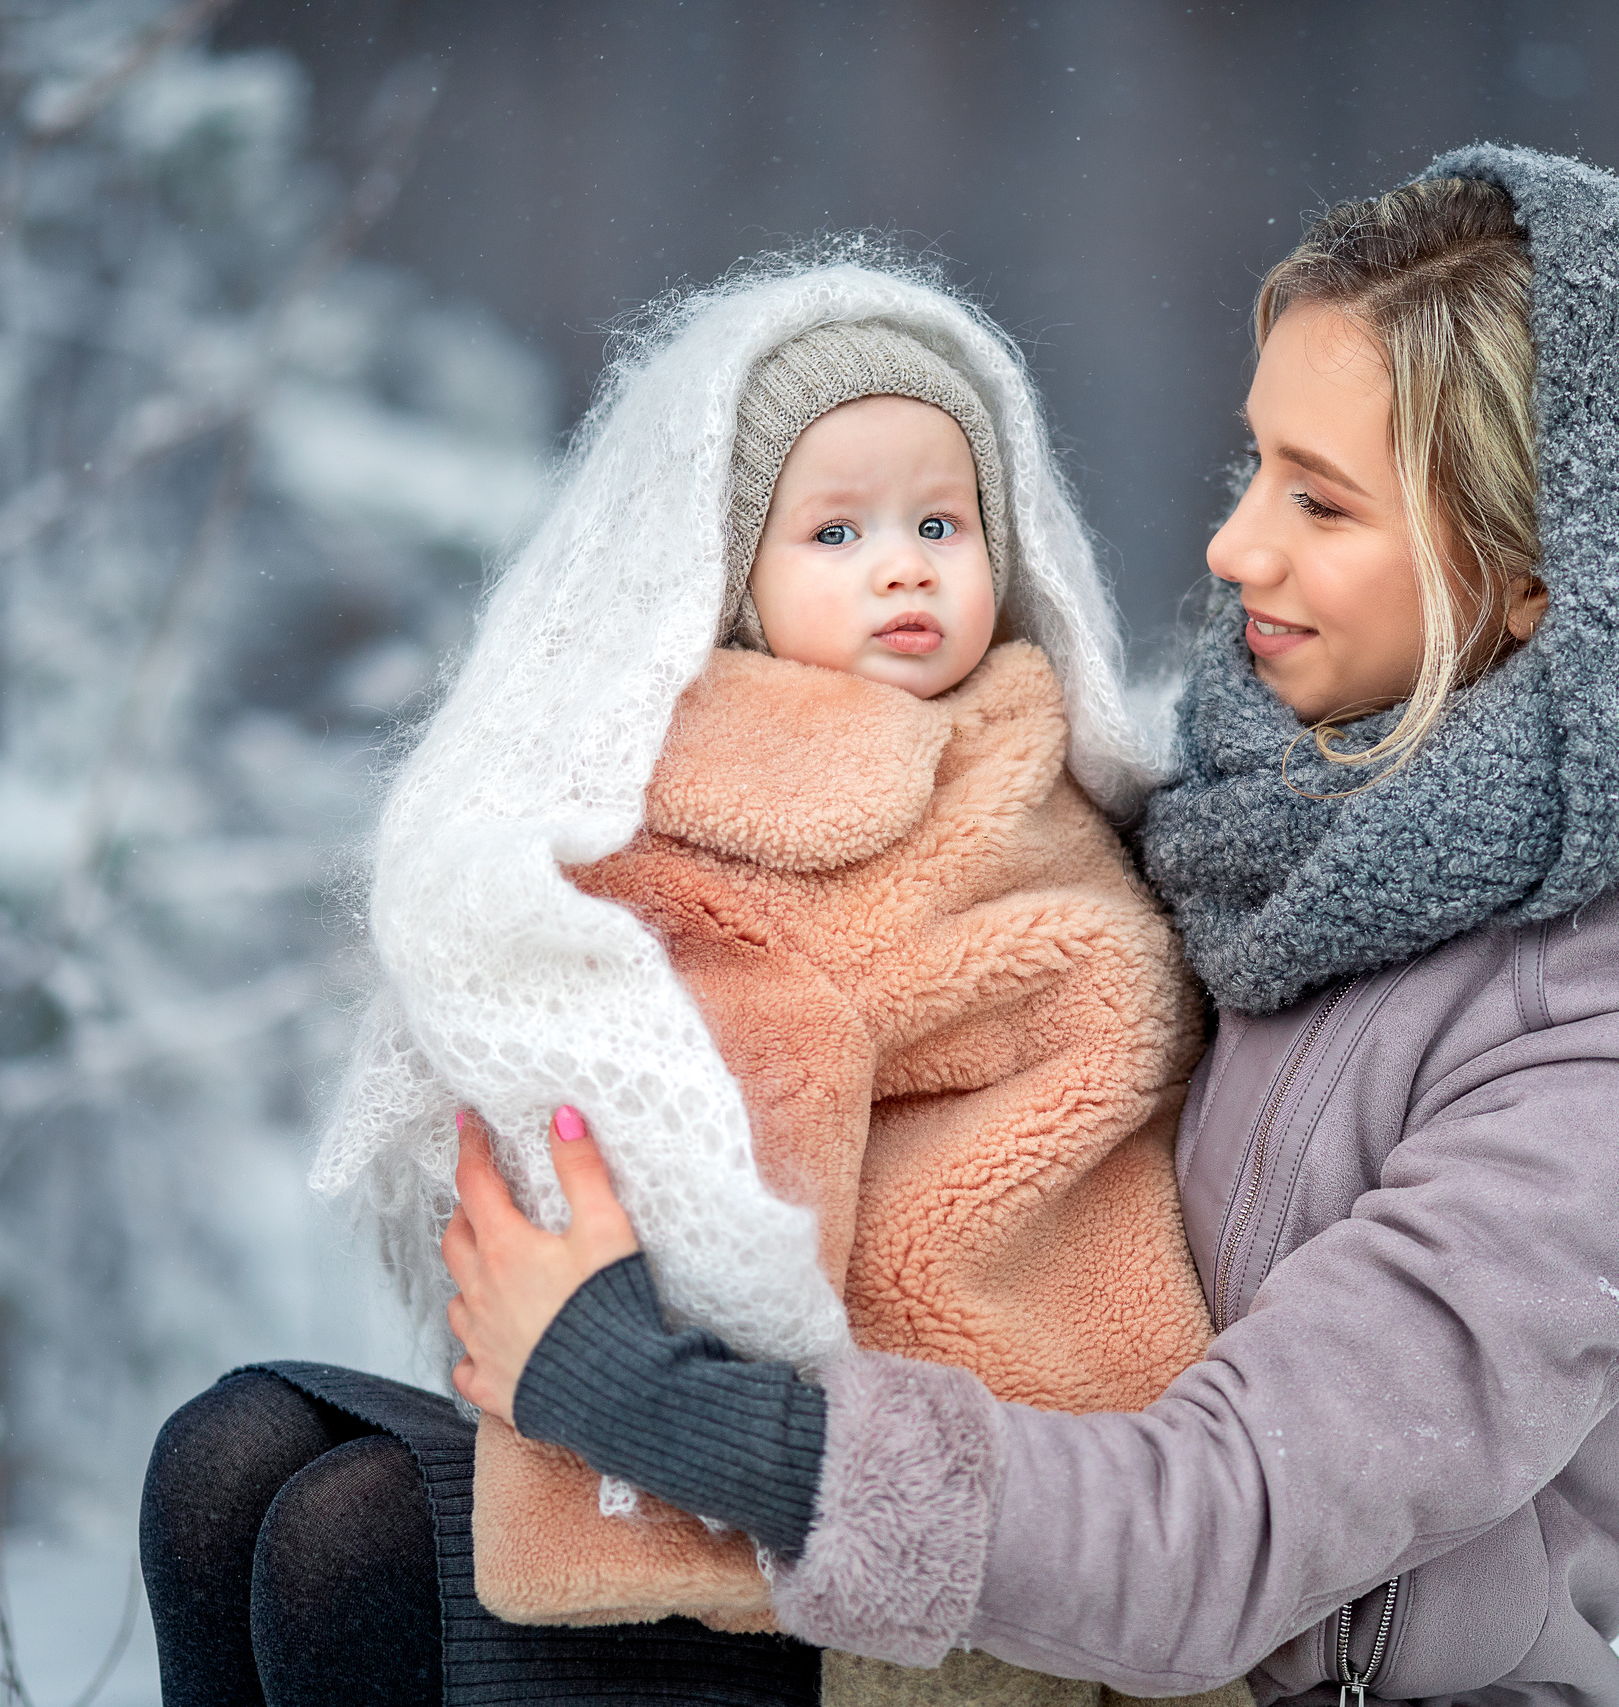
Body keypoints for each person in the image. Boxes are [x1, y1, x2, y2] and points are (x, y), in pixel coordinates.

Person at [436, 144, 1619, 1707]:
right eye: (1253, 466)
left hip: (1241, 1670)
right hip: (1013, 1580)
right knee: (262, 1467)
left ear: (1541, 586)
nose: (1234, 547)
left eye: (1320, 501)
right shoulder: (1260, 821)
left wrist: (669, 1409)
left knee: (367, 1549)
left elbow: (1229, 1530)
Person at [138, 259, 1215, 1706]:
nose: (903, 564)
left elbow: (1042, 1053)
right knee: (229, 1451)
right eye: (835, 529)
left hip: (892, 1483)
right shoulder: (663, 781)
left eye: (940, 522)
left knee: (346, 1544)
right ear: (730, 581)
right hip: (665, 1399)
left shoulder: (1031, 791)